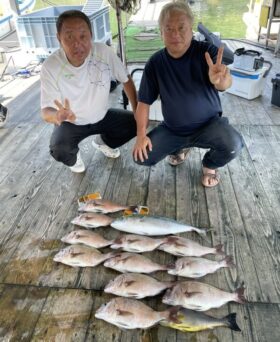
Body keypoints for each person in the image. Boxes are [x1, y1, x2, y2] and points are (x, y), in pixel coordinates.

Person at [133, 1, 243, 187]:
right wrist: (141, 135)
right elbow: (143, 103)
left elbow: (225, 82)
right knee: (141, 157)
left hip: (209, 126)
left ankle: (209, 164)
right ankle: (180, 148)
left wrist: (221, 81)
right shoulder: (155, 63)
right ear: (161, 33)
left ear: (191, 29)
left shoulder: (207, 52)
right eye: (168, 29)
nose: (175, 34)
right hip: (173, 129)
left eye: (181, 27)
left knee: (233, 145)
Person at [41, 10, 137, 173]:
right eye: (69, 37)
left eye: (83, 36)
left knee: (137, 122)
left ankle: (103, 143)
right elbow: (45, 111)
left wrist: (137, 111)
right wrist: (57, 115)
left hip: (102, 115)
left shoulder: (104, 52)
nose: (77, 44)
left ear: (91, 35)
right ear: (59, 38)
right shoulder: (51, 66)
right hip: (71, 122)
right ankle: (73, 156)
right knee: (59, 148)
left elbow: (126, 80)